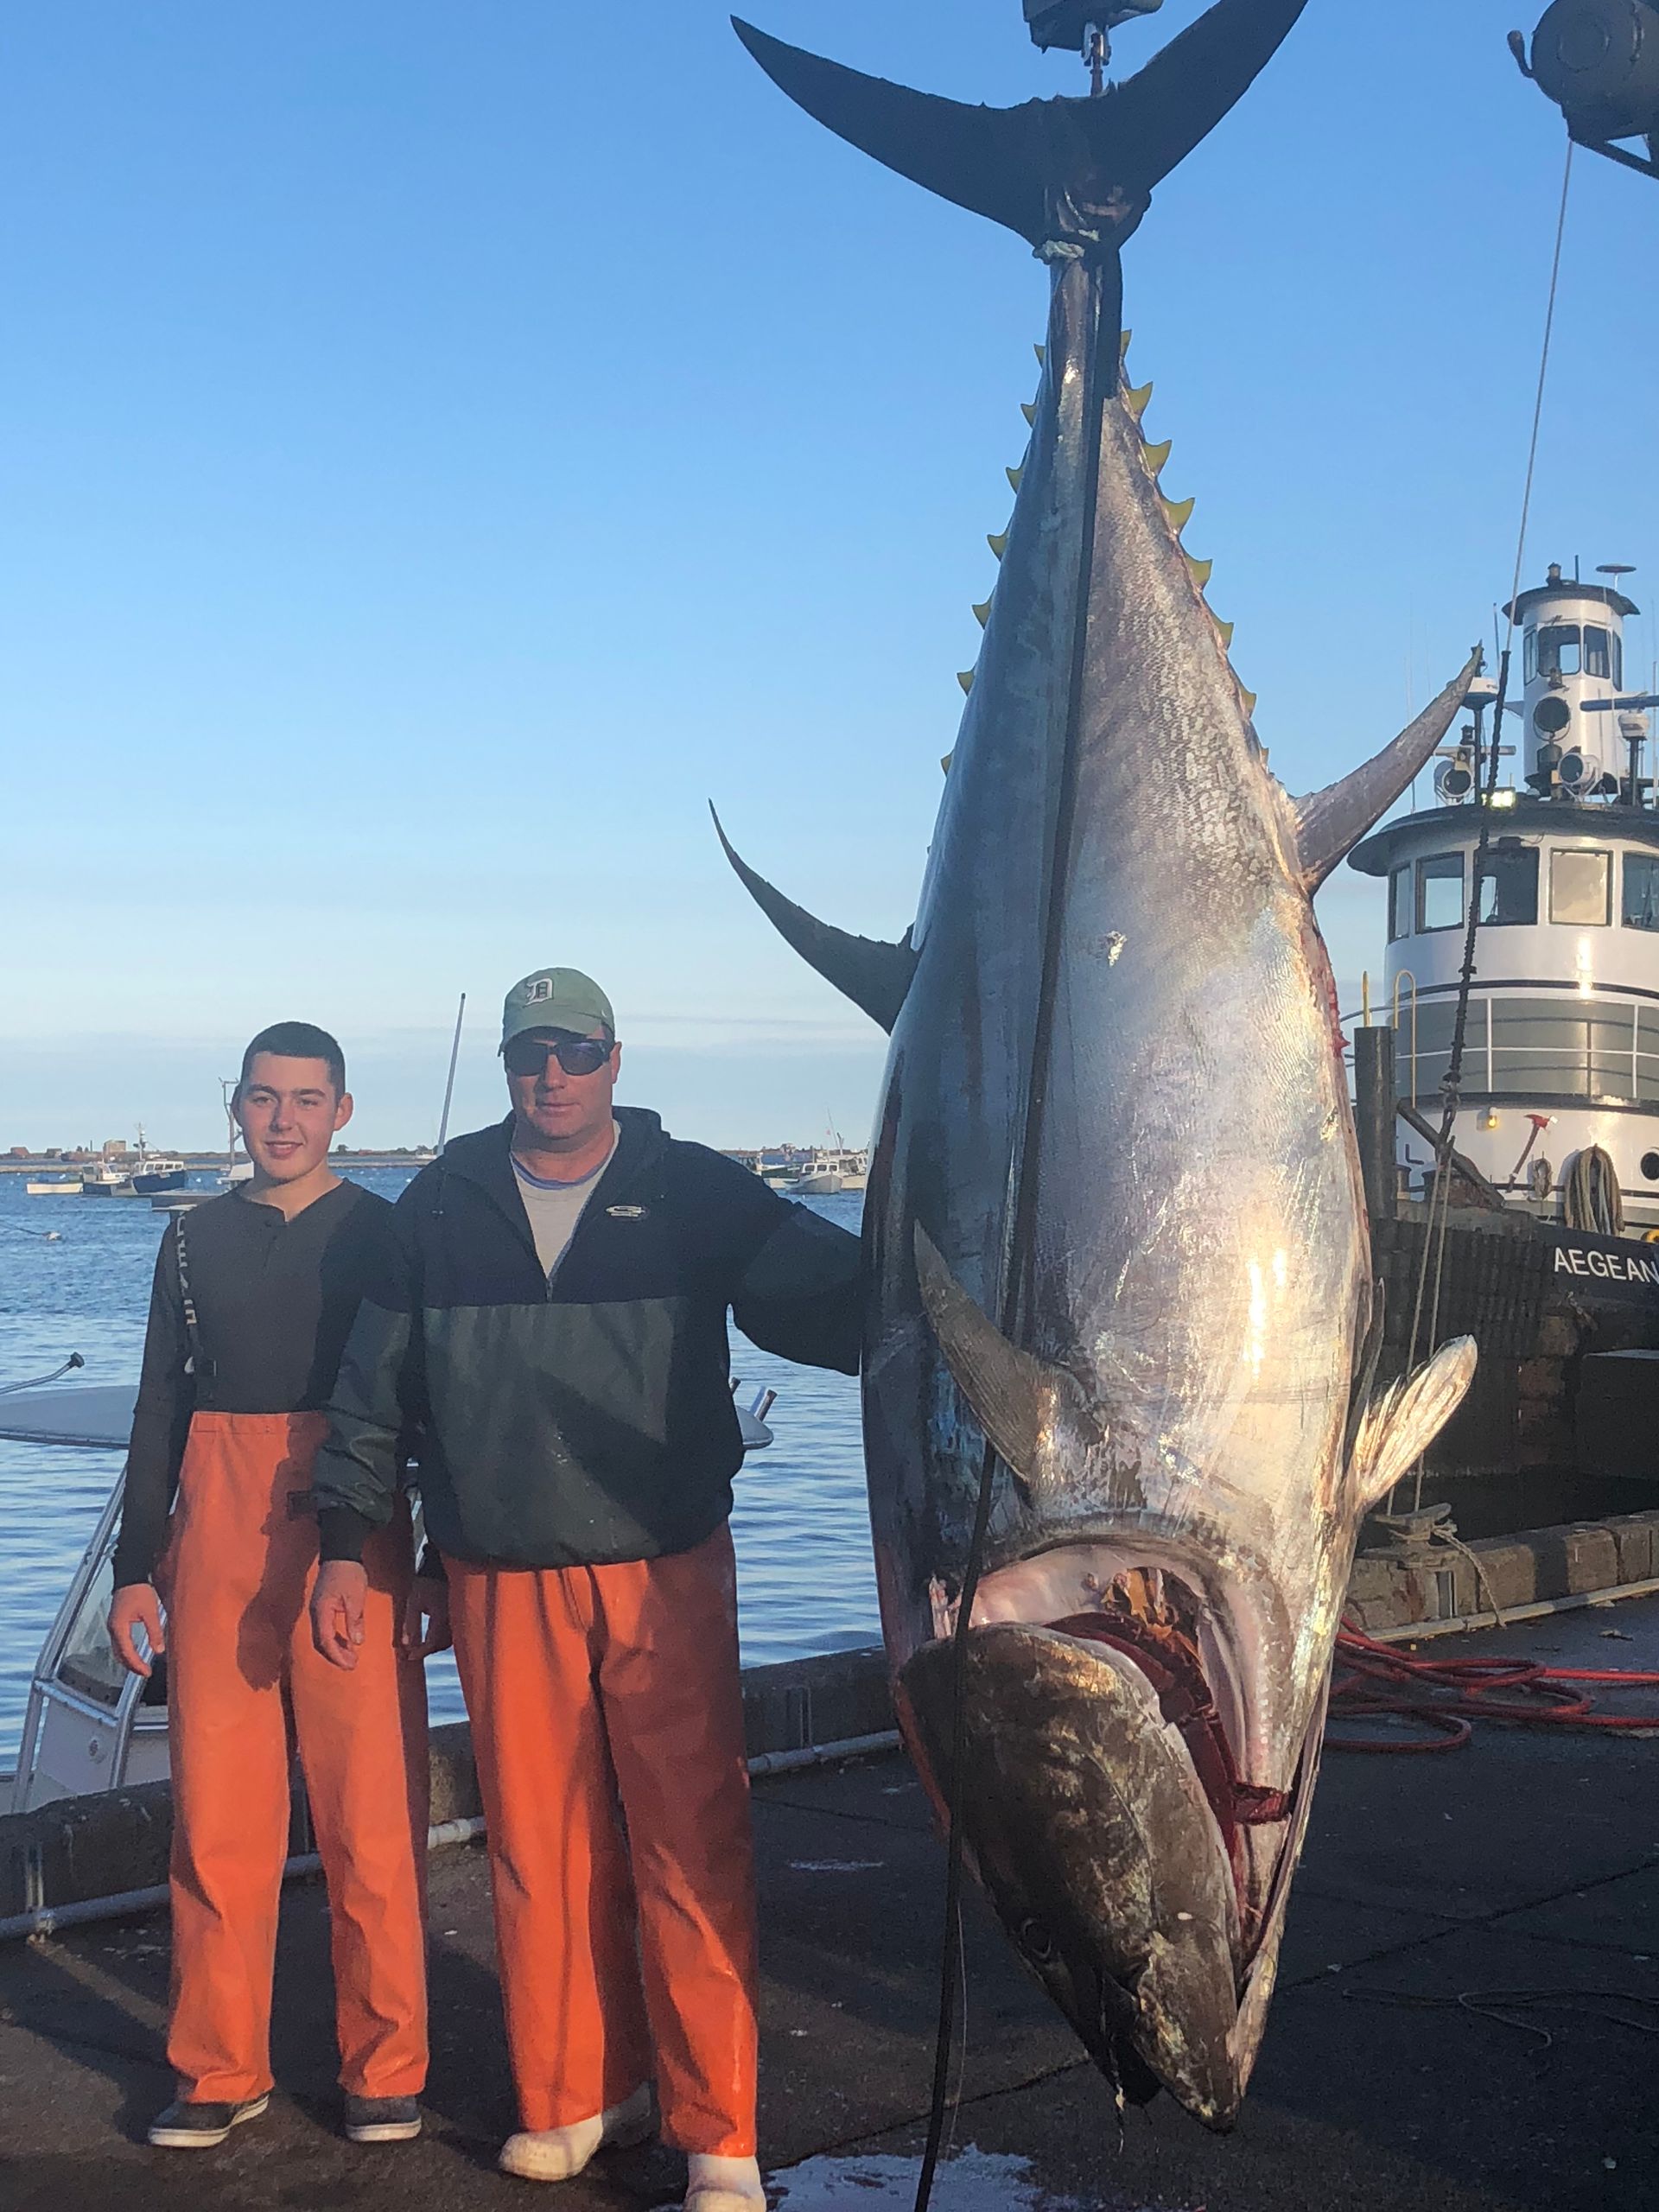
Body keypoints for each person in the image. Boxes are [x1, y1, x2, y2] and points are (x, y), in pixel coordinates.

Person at [308, 968, 862, 2211]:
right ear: (508, 1069)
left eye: (575, 1051)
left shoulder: (693, 1187)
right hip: (502, 1569)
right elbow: (369, 1393)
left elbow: (836, 1301)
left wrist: (947, 1278)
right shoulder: (436, 1205)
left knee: (691, 1838)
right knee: (538, 1848)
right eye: (529, 1055)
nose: (550, 1075)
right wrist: (349, 1541)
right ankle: (572, 2097)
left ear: (617, 1059)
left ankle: (718, 2128)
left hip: (664, 1561)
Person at [108, 1022, 443, 2152]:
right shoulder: (192, 1240)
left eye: (308, 1099)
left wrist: (433, 1559)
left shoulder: (387, 1234)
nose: (285, 1119)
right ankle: (217, 2067)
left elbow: (425, 1407)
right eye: (264, 1098)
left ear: (343, 1111)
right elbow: (159, 1405)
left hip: (357, 1530)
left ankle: (387, 2065)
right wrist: (132, 1567)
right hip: (214, 1544)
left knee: (370, 1814)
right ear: (236, 1108)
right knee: (216, 1819)